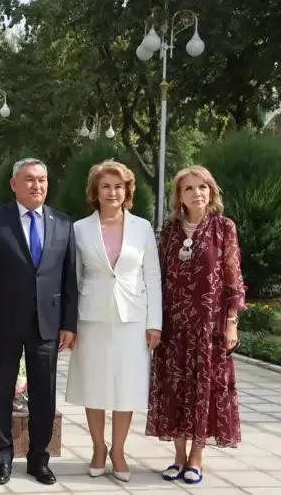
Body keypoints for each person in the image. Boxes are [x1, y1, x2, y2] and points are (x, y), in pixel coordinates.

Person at [0, 157, 79, 486]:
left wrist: (69, 324)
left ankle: (39, 460)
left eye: (42, 180)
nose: (37, 186)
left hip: (47, 324)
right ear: (13, 184)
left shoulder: (63, 223)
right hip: (4, 322)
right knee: (2, 392)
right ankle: (2, 459)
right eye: (30, 179)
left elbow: (69, 280)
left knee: (44, 396)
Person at [146, 165, 244, 485]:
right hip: (173, 327)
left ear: (211, 191)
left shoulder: (223, 228)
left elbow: (233, 281)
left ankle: (196, 457)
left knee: (203, 390)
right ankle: (177, 456)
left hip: (208, 328)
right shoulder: (170, 230)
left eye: (202, 187)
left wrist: (231, 323)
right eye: (188, 189)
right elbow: (157, 279)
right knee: (175, 390)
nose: (196, 193)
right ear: (179, 197)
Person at [64, 160, 162, 482]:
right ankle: (97, 448)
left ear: (127, 191)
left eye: (118, 186)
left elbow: (152, 276)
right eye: (105, 186)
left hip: (132, 318)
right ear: (95, 190)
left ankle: (118, 450)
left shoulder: (143, 228)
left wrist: (155, 323)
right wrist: (70, 323)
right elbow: (73, 279)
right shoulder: (79, 229)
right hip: (91, 317)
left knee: (126, 387)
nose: (112, 192)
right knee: (94, 384)